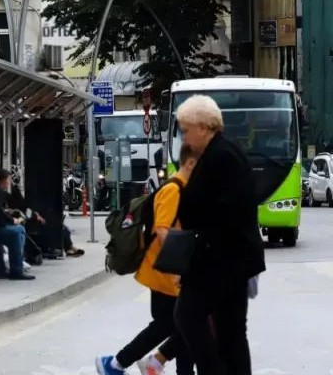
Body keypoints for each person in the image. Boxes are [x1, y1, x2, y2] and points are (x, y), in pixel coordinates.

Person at [172, 94, 265, 375]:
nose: (185, 139)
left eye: (186, 131)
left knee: (188, 315)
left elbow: (222, 211)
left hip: (221, 261)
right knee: (230, 330)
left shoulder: (220, 157)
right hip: (229, 260)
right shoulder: (222, 153)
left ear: (203, 127)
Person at [95, 146, 197, 375]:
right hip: (165, 271)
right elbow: (162, 230)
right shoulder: (173, 190)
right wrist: (180, 268)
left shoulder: (182, 189)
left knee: (181, 326)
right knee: (180, 325)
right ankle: (116, 364)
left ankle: (120, 364)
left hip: (168, 270)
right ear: (191, 163)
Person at [0, 165, 34, 281]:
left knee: (3, 237)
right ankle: (17, 269)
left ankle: (1, 270)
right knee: (17, 231)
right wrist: (12, 220)